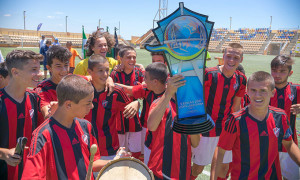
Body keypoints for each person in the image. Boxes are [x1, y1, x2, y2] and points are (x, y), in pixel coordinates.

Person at [22, 75, 129, 179]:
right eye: (88, 103)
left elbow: (92, 162)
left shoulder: (86, 126)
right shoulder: (43, 135)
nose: (92, 106)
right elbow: (31, 175)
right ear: (68, 105)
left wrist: (116, 160)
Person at [215, 71, 300, 180]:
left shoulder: (281, 116)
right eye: (253, 90)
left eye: (263, 91)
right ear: (247, 92)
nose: (257, 95)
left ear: (272, 92)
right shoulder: (235, 120)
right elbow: (220, 153)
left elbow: (289, 144)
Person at [191, 43, 247, 180]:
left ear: (241, 59)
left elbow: (236, 106)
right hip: (205, 129)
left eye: (236, 57)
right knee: (198, 167)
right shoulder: (209, 74)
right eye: (229, 56)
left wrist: (238, 129)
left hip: (226, 129)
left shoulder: (241, 79)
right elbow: (195, 98)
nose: (231, 60)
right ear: (223, 56)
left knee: (223, 168)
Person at [0, 50, 44, 180]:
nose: (40, 74)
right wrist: (4, 153)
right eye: (34, 70)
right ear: (15, 72)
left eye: (39, 69)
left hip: (29, 173)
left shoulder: (34, 98)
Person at [147, 74, 200, 179]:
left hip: (182, 172)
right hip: (159, 171)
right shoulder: (159, 103)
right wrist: (168, 94)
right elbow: (151, 126)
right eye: (176, 81)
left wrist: (190, 119)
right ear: (168, 83)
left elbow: (195, 142)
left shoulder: (192, 108)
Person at [115, 62, 168, 165]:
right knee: (147, 162)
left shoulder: (172, 94)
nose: (143, 81)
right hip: (148, 134)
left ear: (155, 81)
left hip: (165, 137)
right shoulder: (146, 89)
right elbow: (127, 89)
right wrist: (108, 81)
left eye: (145, 78)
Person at [85, 54, 136, 160]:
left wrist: (136, 103)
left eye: (107, 70)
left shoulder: (116, 92)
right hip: (84, 147)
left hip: (109, 150)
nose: (105, 74)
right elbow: (68, 78)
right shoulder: (82, 89)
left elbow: (130, 112)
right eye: (100, 70)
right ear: (89, 72)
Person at [270, 55, 300, 180]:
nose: (277, 74)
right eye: (274, 70)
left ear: (290, 72)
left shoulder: (296, 89)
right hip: (266, 146)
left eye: (282, 71)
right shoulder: (263, 89)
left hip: (289, 145)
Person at [110, 46, 143, 159]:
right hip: (118, 119)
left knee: (136, 153)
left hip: (135, 117)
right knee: (119, 154)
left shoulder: (139, 72)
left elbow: (144, 92)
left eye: (134, 57)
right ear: (120, 58)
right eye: (129, 57)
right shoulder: (114, 74)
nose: (132, 60)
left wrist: (137, 101)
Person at [35, 45, 72, 118]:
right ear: (49, 68)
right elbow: (47, 114)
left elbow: (90, 78)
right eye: (58, 66)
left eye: (66, 65)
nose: (64, 70)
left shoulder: (72, 80)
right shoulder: (42, 89)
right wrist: (54, 110)